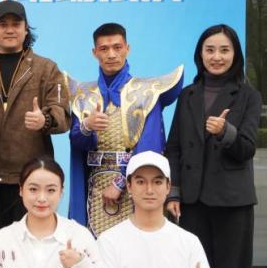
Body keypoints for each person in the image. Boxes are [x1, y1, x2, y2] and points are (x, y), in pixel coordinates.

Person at [165, 24, 260, 268]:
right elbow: (174, 147)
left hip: (233, 202)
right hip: (192, 201)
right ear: (200, 54)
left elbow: (247, 147)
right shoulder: (188, 95)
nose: (216, 57)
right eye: (210, 50)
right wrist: (173, 192)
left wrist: (226, 132)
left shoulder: (248, 96)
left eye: (224, 50)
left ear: (235, 55)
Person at [0, 0, 69, 236]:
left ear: (26, 28)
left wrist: (45, 120)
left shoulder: (46, 68)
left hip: (29, 180)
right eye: (3, 24)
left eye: (16, 24)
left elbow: (63, 113)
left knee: (29, 244)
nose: (10, 30)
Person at [67, 22, 183, 236]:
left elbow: (149, 149)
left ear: (127, 49)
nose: (111, 54)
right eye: (104, 49)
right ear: (94, 52)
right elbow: (77, 143)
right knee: (94, 246)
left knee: (136, 245)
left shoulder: (146, 93)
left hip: (134, 186)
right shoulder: (84, 94)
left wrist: (121, 182)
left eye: (117, 47)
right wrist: (87, 126)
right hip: (95, 187)